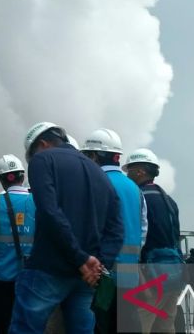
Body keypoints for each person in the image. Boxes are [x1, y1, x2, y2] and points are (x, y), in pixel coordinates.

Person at [9, 122, 123, 334]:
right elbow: (116, 229)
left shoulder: (42, 160)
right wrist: (97, 267)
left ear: (42, 145)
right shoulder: (99, 173)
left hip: (49, 269)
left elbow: (49, 212)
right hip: (86, 278)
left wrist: (79, 258)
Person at [81, 128, 144, 334]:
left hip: (100, 275)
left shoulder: (93, 183)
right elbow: (143, 230)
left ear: (94, 156)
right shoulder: (135, 189)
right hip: (130, 276)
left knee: (100, 327)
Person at [124, 148, 181, 334]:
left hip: (150, 276)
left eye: (129, 170)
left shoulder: (138, 198)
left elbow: (135, 238)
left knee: (141, 325)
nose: (127, 174)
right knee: (165, 326)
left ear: (140, 171)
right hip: (174, 274)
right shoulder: (169, 201)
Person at [0, 154, 35, 334]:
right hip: (31, 278)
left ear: (1, 181)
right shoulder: (38, 201)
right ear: (23, 176)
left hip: (1, 277)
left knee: (4, 326)